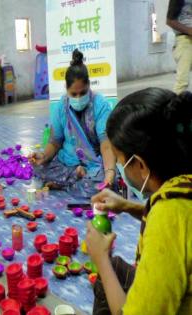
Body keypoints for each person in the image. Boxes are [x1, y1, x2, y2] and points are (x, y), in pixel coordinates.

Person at [86, 87, 192, 315]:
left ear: (141, 166)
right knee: (115, 270)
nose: (122, 168)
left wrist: (101, 259)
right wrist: (127, 206)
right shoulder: (182, 185)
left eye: (122, 162)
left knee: (109, 271)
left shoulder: (169, 216)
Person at [29, 49, 116, 197]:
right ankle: (76, 176)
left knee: (104, 182)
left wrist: (109, 173)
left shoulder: (100, 104)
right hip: (67, 162)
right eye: (73, 94)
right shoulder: (61, 107)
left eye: (82, 93)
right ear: (66, 89)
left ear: (89, 85)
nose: (78, 97)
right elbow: (55, 141)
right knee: (39, 168)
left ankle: (68, 181)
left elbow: (106, 144)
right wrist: (43, 156)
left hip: (94, 163)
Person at [166, 0, 192, 94]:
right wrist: (190, 31)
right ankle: (176, 107)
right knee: (182, 82)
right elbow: (170, 21)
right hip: (185, 40)